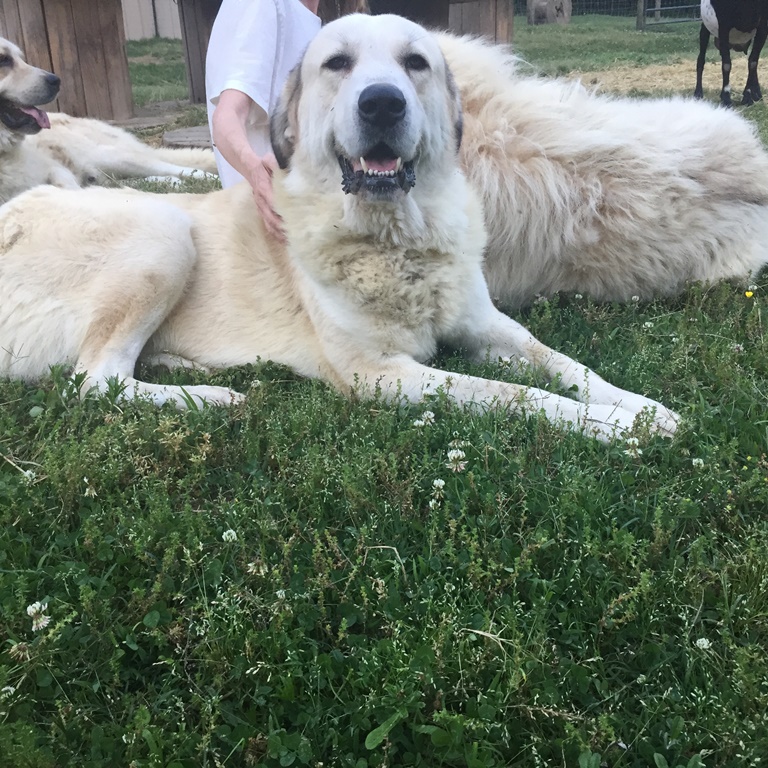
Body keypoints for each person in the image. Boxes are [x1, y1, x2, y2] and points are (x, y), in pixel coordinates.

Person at [205, 0, 322, 240]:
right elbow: (227, 115)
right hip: (273, 228)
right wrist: (256, 173)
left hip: (305, 220)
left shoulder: (306, 16)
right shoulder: (263, 4)